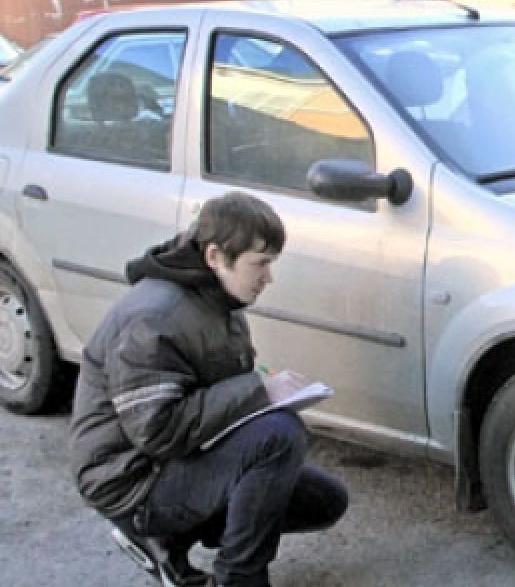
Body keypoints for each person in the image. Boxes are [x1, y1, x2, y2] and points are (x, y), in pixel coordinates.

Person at [69, 191, 347, 587]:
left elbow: (218, 390)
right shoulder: (153, 318)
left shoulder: (215, 299)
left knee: (324, 501)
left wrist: (263, 388)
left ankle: (168, 541)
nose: (269, 278)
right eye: (261, 264)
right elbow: (159, 431)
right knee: (279, 437)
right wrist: (259, 391)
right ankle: (238, 579)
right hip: (131, 482)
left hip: (171, 461)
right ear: (215, 256)